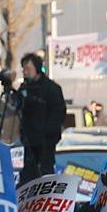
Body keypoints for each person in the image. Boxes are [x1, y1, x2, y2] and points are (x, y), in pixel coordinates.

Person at [18, 51, 67, 183]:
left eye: (28, 69)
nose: (25, 73)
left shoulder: (51, 89)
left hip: (46, 142)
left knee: (45, 175)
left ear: (37, 69)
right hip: (29, 142)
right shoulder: (24, 89)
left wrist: (47, 131)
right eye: (24, 69)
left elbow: (58, 113)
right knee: (28, 177)